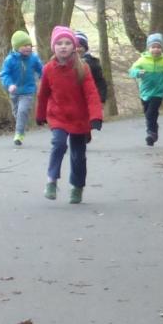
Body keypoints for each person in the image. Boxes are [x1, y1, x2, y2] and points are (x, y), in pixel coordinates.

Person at [37, 26, 104, 203]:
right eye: (59, 43)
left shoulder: (83, 68)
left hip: (79, 118)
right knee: (58, 144)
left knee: (78, 154)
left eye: (67, 43)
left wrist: (95, 116)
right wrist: (40, 114)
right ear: (54, 47)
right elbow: (43, 94)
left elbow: (91, 94)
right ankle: (51, 180)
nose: (63, 46)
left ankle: (77, 186)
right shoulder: (48, 69)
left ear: (74, 47)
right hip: (58, 115)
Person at [131, 32, 163, 146]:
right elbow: (132, 71)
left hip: (158, 93)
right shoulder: (142, 60)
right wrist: (138, 73)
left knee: (151, 113)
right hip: (144, 92)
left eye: (158, 47)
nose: (156, 49)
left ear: (162, 48)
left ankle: (151, 133)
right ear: (148, 48)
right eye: (153, 47)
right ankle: (153, 131)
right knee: (148, 114)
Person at [0, 29, 43, 145]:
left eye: (29, 45)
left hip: (28, 91)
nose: (28, 48)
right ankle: (21, 125)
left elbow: (42, 70)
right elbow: (4, 74)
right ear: (17, 47)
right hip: (14, 92)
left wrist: (45, 78)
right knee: (17, 113)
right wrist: (9, 84)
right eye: (24, 45)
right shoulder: (10, 60)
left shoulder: (33, 58)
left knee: (22, 111)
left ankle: (19, 134)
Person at [74, 30, 111, 125]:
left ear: (85, 48)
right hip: (74, 97)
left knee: (86, 120)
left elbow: (100, 82)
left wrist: (102, 98)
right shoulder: (67, 64)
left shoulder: (93, 63)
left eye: (80, 47)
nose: (78, 49)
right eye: (75, 47)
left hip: (89, 95)